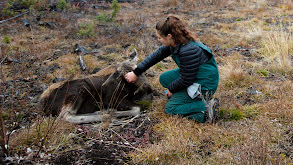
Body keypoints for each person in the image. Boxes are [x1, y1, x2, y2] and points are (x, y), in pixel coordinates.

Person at [124, 15, 219, 123]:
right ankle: (185, 96)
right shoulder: (176, 42)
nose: (158, 40)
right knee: (164, 78)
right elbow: (155, 56)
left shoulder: (188, 50)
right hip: (195, 74)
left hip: (206, 82)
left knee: (170, 109)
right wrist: (136, 72)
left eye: (159, 37)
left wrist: (172, 89)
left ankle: (205, 107)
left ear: (169, 36)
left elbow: (187, 79)